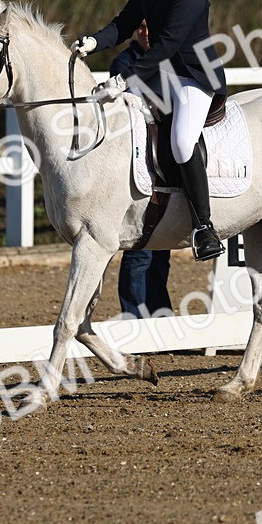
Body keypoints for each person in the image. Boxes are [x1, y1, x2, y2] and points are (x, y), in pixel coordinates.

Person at [71, 0, 227, 261]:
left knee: (182, 140)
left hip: (194, 74)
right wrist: (94, 41)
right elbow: (125, 22)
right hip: (163, 73)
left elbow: (168, 43)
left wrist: (126, 78)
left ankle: (204, 226)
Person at [111, 20, 173, 318]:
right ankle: (133, 316)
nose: (146, 32)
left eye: (151, 27)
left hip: (162, 154)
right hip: (139, 156)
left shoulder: (166, 56)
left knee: (161, 251)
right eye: (142, 27)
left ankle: (160, 312)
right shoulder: (124, 62)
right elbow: (132, 105)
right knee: (140, 249)